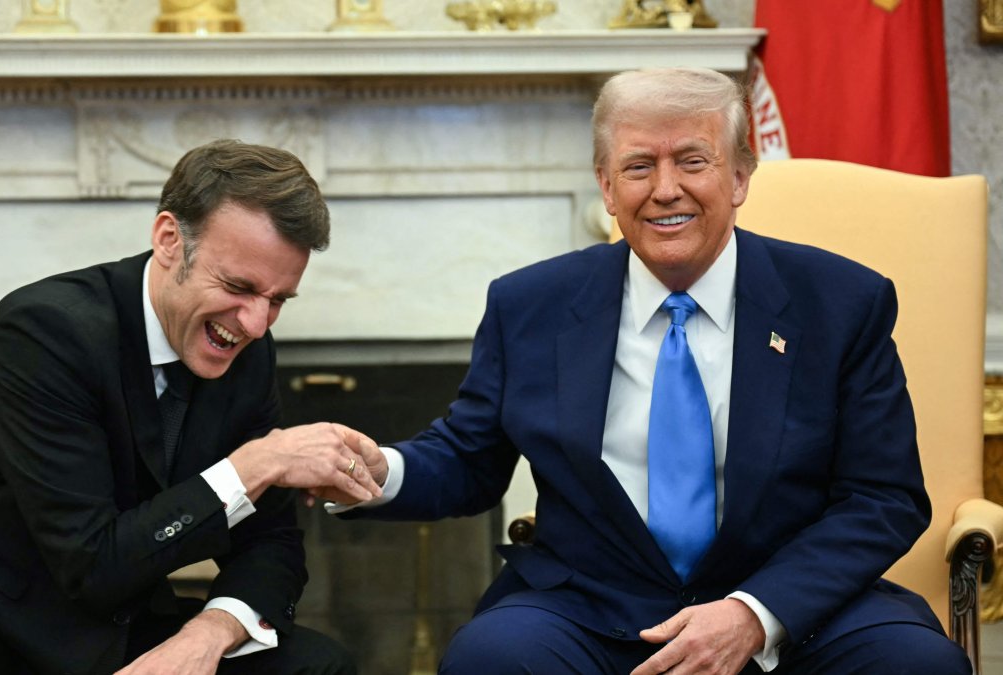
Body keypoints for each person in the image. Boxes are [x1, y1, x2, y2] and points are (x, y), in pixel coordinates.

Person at [336, 68, 972, 674]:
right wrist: (374, 471)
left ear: (742, 177)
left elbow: (882, 497)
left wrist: (754, 614)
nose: (665, 188)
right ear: (608, 187)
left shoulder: (839, 301)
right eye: (639, 166)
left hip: (794, 607)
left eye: (692, 161)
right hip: (592, 607)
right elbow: (470, 458)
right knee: (490, 659)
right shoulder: (531, 305)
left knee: (915, 665)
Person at [0, 139, 381, 675]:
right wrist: (256, 464)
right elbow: (93, 562)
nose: (256, 323)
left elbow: (271, 543)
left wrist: (208, 633)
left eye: (277, 300)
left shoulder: (245, 349)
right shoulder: (43, 332)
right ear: (169, 239)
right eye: (238, 285)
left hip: (105, 626)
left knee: (317, 665)